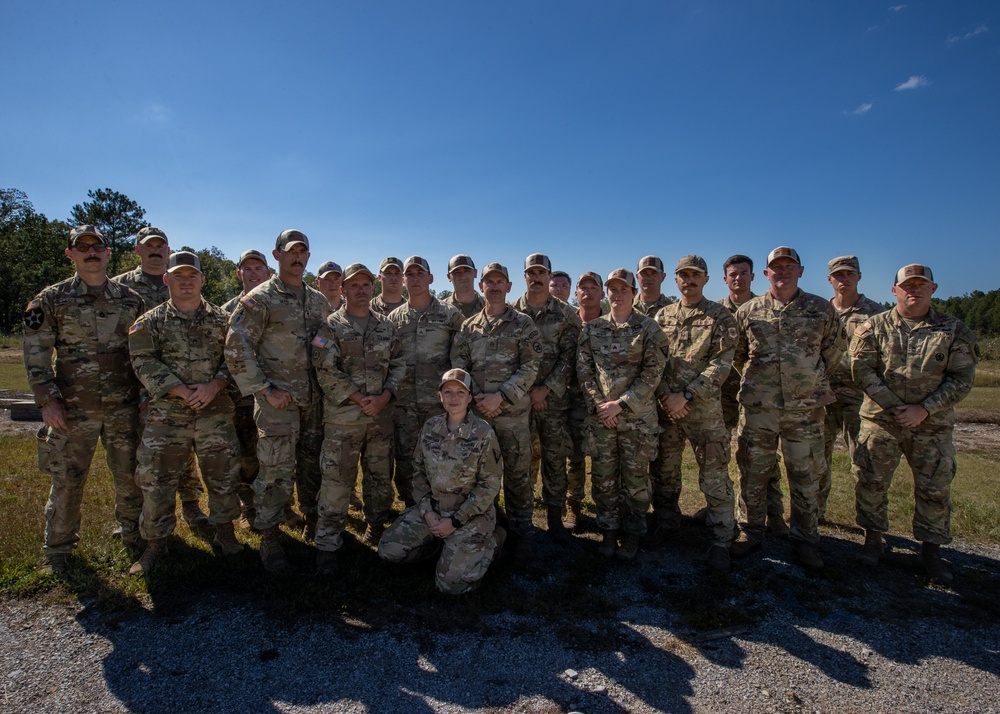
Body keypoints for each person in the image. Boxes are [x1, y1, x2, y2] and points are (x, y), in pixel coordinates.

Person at [24, 225, 146, 574]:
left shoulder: (129, 300)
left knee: (129, 476)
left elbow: (141, 354)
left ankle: (133, 537)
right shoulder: (51, 299)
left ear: (108, 252)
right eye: (83, 247)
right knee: (67, 478)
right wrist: (47, 399)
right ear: (71, 254)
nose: (91, 252)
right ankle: (58, 551)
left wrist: (144, 397)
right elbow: (36, 352)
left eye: (98, 246)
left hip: (123, 406)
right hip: (72, 409)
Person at [851, 264, 977, 583]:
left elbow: (962, 378)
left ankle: (931, 552)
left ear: (933, 288)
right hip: (882, 421)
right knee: (871, 481)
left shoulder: (953, 330)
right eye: (907, 285)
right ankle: (872, 541)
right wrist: (896, 407)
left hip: (931, 425)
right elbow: (862, 370)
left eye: (921, 285)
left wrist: (924, 409)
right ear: (895, 291)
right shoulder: (873, 327)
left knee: (934, 487)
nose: (914, 290)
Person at [127, 251, 243, 575]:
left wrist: (215, 385)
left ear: (202, 280)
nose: (186, 281)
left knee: (223, 476)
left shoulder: (224, 320)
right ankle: (155, 544)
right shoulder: (148, 322)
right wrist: (179, 389)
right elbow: (142, 361)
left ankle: (225, 533)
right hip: (167, 415)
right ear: (167, 279)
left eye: (192, 275)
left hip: (214, 412)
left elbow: (234, 360)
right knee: (156, 479)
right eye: (179, 275)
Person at [731, 247, 846, 570]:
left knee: (805, 474)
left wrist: (805, 381)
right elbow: (739, 355)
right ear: (766, 274)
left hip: (805, 410)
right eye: (776, 268)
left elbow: (833, 351)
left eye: (788, 267)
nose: (782, 272)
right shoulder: (749, 311)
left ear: (800, 271)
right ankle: (751, 532)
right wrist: (762, 384)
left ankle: (805, 539)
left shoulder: (820, 310)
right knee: (752, 472)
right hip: (759, 408)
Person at [225, 229, 331, 572]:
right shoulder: (261, 298)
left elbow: (327, 346)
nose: (297, 257)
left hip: (313, 401)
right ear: (277, 255)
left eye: (303, 252)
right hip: (277, 405)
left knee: (314, 468)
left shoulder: (318, 301)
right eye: (291, 252)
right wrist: (264, 389)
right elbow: (236, 345)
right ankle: (270, 537)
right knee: (275, 472)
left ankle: (315, 524)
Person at [113, 226, 208, 527]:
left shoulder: (185, 281)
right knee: (139, 457)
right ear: (137, 249)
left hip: (186, 384)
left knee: (184, 448)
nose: (155, 250)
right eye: (149, 245)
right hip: (135, 383)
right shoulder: (119, 289)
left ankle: (191, 504)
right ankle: (134, 517)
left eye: (160, 246)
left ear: (168, 251)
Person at [378, 368, 505, 595]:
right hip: (434, 510)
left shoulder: (483, 433)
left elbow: (489, 485)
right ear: (440, 396)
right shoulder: (430, 427)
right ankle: (442, 547)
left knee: (451, 586)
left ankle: (493, 543)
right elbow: (417, 473)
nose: (453, 398)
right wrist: (427, 512)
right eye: (448, 392)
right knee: (389, 550)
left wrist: (455, 521)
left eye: (460, 392)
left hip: (469, 515)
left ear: (469, 397)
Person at [313, 263, 405, 573]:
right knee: (337, 482)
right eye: (354, 285)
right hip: (343, 419)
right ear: (343, 289)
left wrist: (384, 397)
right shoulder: (329, 327)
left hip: (380, 417)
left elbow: (400, 365)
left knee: (379, 478)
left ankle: (375, 526)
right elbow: (324, 369)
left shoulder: (387, 327)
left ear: (373, 288)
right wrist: (357, 397)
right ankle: (327, 543)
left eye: (366, 284)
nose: (361, 289)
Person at [647, 256, 738, 572]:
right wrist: (665, 396)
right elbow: (652, 361)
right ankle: (667, 523)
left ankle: (721, 539)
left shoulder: (720, 317)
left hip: (703, 412)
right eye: (683, 275)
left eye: (695, 275)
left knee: (714, 475)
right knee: (665, 471)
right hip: (666, 410)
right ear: (675, 281)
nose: (689, 280)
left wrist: (686, 394)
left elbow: (722, 363)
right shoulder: (662, 316)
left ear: (706, 279)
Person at [451, 262, 542, 564]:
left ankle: (523, 534)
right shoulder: (469, 326)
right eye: (489, 281)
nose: (494, 286)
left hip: (512, 417)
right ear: (481, 287)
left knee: (517, 478)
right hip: (478, 418)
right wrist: (480, 398)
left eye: (499, 281)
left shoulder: (523, 324)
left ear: (509, 286)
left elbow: (531, 365)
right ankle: (486, 529)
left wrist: (500, 396)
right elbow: (459, 366)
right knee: (478, 478)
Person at [577, 268, 667, 561]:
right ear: (607, 294)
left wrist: (622, 404)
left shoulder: (649, 329)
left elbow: (653, 373)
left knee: (636, 479)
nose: (617, 295)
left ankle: (632, 534)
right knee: (604, 478)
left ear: (634, 293)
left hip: (637, 420)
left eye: (623, 290)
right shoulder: (593, 329)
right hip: (603, 418)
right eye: (613, 290)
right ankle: (608, 531)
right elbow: (584, 370)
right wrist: (601, 405)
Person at [513, 254, 581, 543]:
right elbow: (506, 357)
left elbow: (572, 356)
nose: (537, 277)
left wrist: (547, 388)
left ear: (549, 276)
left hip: (554, 403)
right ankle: (523, 518)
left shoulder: (566, 314)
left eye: (542, 272)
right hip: (519, 400)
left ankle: (555, 517)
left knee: (554, 458)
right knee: (523, 459)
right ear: (525, 276)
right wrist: (528, 390)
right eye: (532, 272)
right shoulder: (511, 311)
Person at [718, 254, 787, 536]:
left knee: (763, 458)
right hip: (723, 392)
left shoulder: (765, 309)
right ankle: (725, 508)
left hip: (758, 395)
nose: (738, 278)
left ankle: (775, 513)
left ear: (753, 276)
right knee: (722, 454)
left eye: (744, 273)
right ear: (725, 279)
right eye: (733, 274)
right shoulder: (716, 310)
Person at [388, 256, 464, 508]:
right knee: (407, 459)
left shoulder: (450, 315)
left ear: (431, 278)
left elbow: (461, 359)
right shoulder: (394, 319)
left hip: (438, 406)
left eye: (420, 274)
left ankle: (445, 508)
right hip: (405, 405)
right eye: (410, 274)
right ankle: (412, 509)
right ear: (403, 280)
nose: (415, 279)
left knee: (443, 458)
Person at [820, 255, 886, 521]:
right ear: (830, 279)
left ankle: (870, 527)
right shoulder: (821, 311)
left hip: (861, 398)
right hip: (824, 395)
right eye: (838, 275)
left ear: (859, 277)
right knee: (816, 460)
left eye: (849, 274)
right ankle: (815, 515)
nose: (843, 279)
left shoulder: (876, 313)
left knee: (865, 462)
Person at [221, 249, 272, 528]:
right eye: (247, 269)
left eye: (258, 268)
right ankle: (249, 504)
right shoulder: (227, 311)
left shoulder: (276, 304)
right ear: (239, 274)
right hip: (240, 397)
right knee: (245, 453)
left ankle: (279, 504)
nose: (253, 273)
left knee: (273, 453)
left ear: (267, 273)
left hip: (273, 394)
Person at [563, 271, 607, 530]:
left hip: (604, 404)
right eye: (583, 288)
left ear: (602, 293)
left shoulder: (613, 323)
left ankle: (607, 509)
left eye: (594, 287)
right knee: (574, 457)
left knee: (605, 459)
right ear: (575, 294)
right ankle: (573, 506)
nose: (588, 292)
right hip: (572, 400)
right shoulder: (568, 324)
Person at [441, 254, 485, 319]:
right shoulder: (441, 309)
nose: (463, 276)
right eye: (457, 272)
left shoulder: (490, 306)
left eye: (467, 271)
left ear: (475, 273)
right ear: (449, 277)